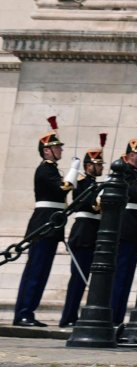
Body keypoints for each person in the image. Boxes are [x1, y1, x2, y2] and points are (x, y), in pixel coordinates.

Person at [13, 120, 69, 326]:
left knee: (42, 272)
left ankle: (28, 312)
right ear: (46, 151)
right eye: (56, 147)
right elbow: (62, 189)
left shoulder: (52, 170)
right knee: (36, 271)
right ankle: (24, 313)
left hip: (51, 227)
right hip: (43, 225)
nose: (60, 149)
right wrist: (73, 172)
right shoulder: (45, 170)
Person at [59, 138, 106, 327]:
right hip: (83, 233)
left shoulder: (95, 183)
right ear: (88, 166)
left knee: (87, 279)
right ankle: (68, 316)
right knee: (78, 279)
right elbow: (85, 203)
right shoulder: (81, 183)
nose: (101, 168)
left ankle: (76, 315)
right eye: (98, 165)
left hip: (94, 233)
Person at [110, 127, 137, 328]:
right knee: (119, 276)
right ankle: (112, 315)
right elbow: (136, 194)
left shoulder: (134, 174)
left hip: (134, 231)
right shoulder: (125, 173)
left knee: (126, 278)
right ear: (133, 154)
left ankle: (117, 317)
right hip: (125, 231)